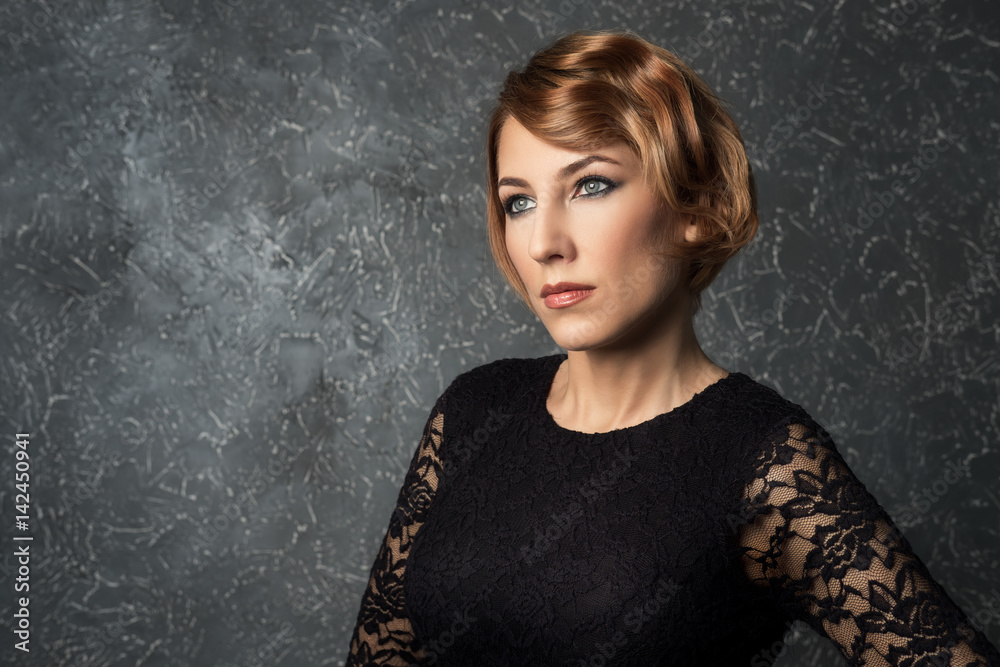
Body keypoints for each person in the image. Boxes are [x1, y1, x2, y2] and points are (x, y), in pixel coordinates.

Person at [345, 29, 1000, 666]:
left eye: (590, 185)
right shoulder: (473, 408)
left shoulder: (760, 453)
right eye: (518, 202)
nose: (544, 241)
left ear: (697, 206)